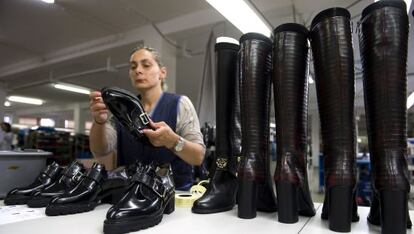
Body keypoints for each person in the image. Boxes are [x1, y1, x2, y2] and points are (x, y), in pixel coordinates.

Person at [89, 46, 205, 190]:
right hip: (129, 196)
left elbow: (198, 157)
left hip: (172, 199)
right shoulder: (122, 108)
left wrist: (172, 140)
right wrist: (99, 122)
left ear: (162, 73)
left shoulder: (180, 104)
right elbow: (101, 151)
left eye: (146, 65)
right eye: (133, 67)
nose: (138, 70)